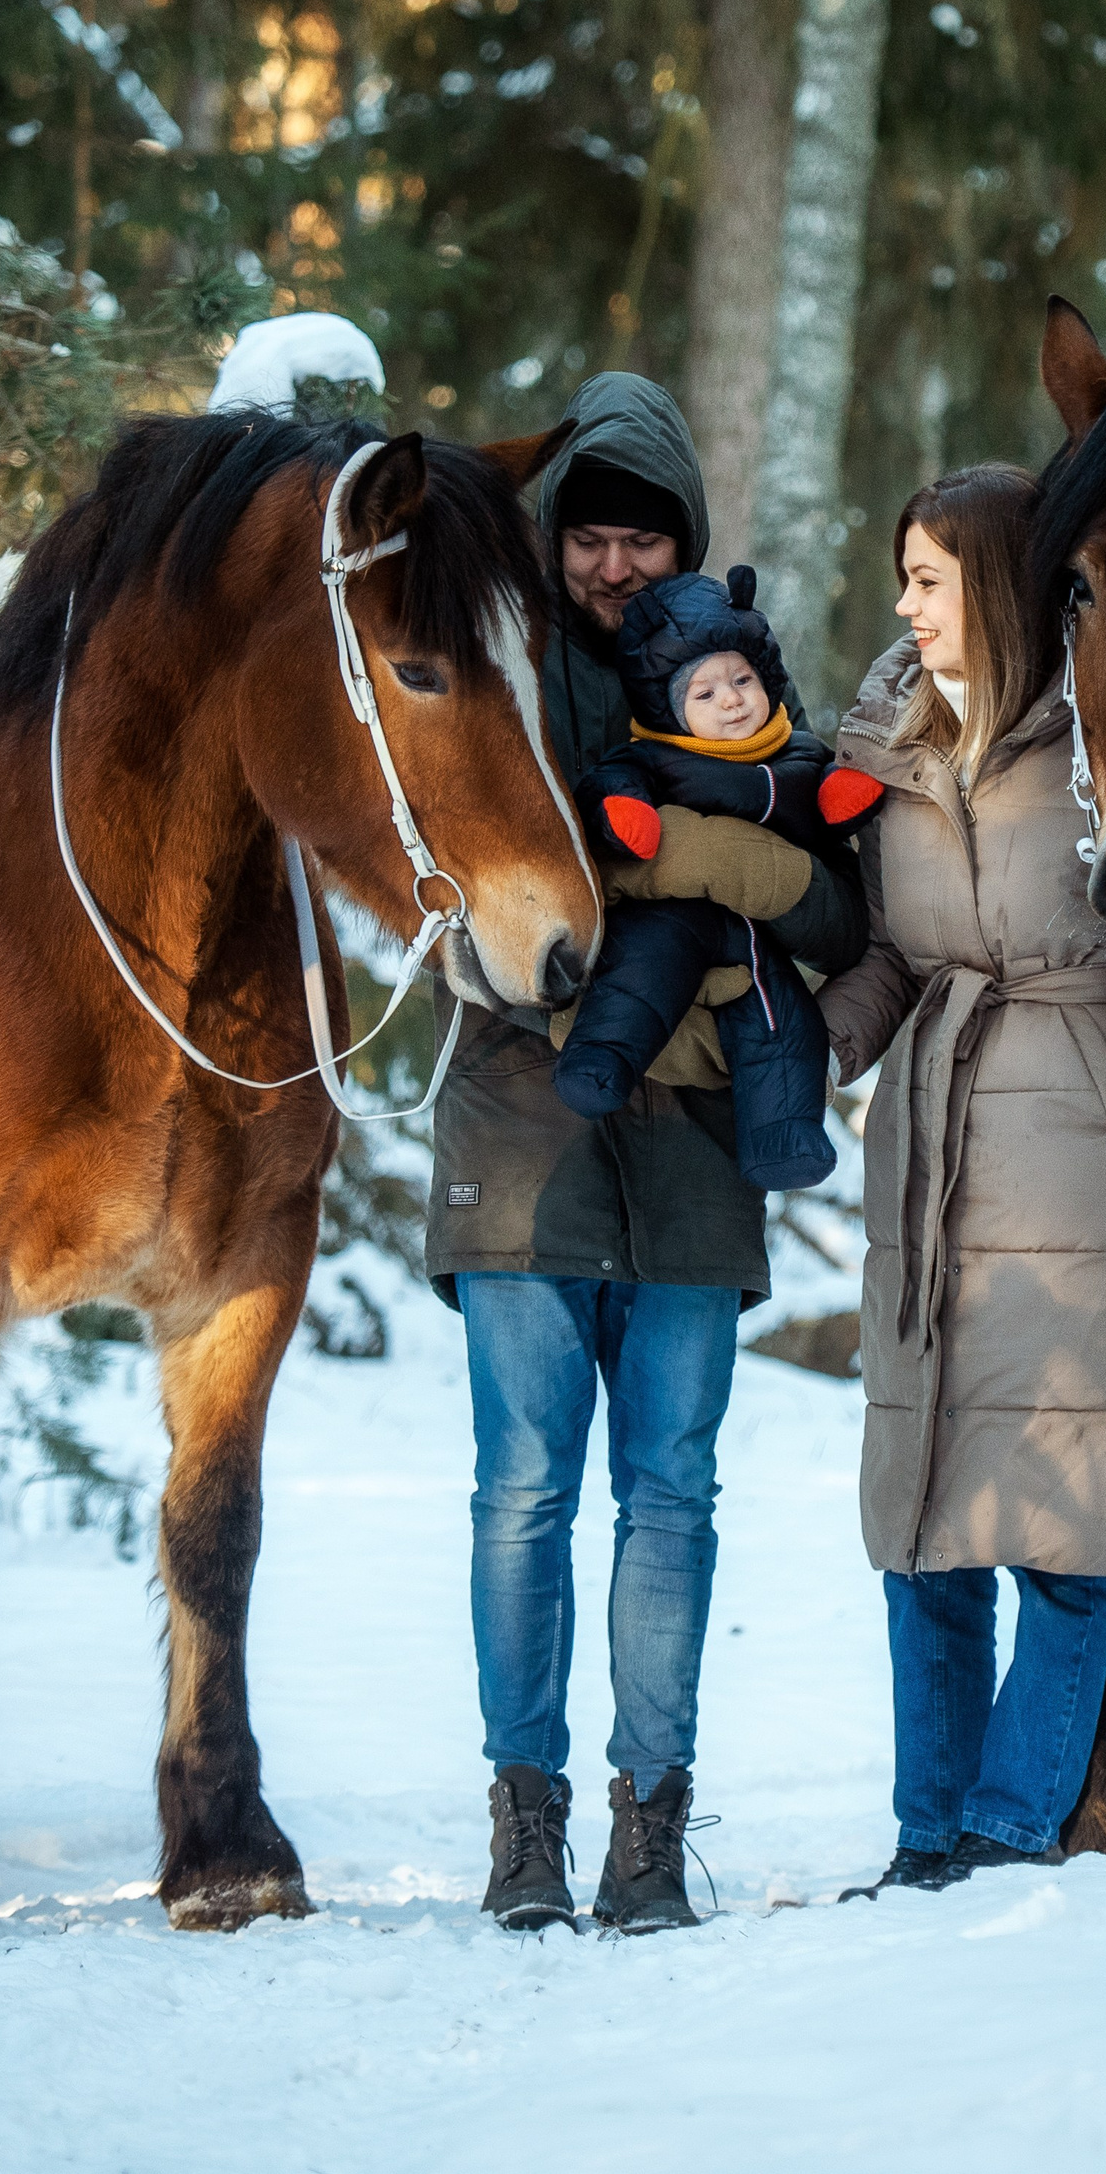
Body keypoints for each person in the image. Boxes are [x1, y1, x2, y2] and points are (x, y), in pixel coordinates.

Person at [425, 375, 867, 1934]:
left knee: (670, 1489)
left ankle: (648, 1830)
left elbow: (831, 908)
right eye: (590, 537)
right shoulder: (488, 684)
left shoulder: (738, 683)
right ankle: (524, 1819)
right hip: (517, 1120)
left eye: (645, 538)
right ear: (550, 542)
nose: (614, 566)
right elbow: (464, 898)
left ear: (687, 542)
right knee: (525, 1488)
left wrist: (697, 852)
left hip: (696, 1139)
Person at [814, 464, 1106, 1889]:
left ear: (992, 581)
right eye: (902, 577)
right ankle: (927, 1830)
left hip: (1080, 1142)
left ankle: (1008, 1825)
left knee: (1069, 1525)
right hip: (927, 1141)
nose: (905, 604)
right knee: (923, 1525)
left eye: (929, 576)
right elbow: (884, 953)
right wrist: (806, 1049)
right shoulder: (888, 733)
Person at [553, 564, 882, 1191]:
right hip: (672, 915)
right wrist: (624, 816)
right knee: (643, 975)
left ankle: (783, 1137)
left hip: (757, 937)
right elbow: (611, 785)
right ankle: (600, 1059)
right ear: (672, 712)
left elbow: (827, 796)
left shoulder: (796, 751)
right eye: (703, 695)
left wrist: (845, 799)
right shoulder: (659, 754)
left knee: (781, 1019)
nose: (732, 700)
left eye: (741, 679)